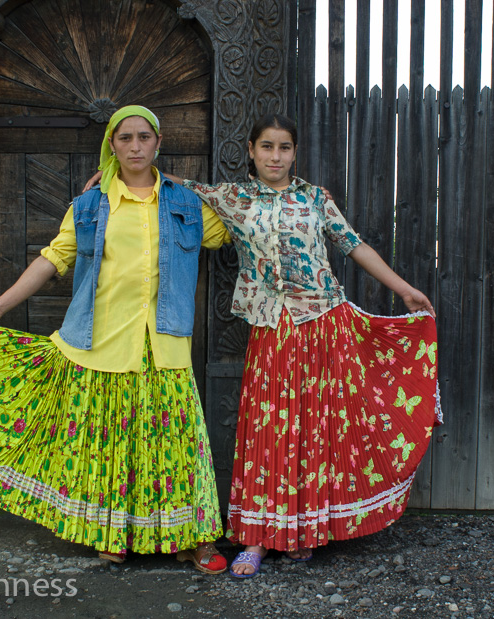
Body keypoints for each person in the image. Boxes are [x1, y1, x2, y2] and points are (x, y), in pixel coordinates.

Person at [0, 105, 231, 574]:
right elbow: (52, 258)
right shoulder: (88, 206)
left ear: (158, 144)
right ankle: (111, 532)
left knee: (178, 448)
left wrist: (185, 181)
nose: (136, 146)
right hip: (101, 341)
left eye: (145, 137)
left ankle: (194, 538)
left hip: (164, 344)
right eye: (125, 139)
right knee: (111, 446)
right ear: (112, 145)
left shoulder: (184, 204)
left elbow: (229, 227)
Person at [166, 113, 441, 577]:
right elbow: (175, 184)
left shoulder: (316, 199)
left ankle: (303, 532)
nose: (276, 156)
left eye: (285, 148)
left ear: (295, 152)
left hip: (323, 323)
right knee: (266, 429)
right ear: (251, 151)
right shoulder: (232, 198)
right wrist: (117, 173)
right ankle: (255, 539)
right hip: (272, 330)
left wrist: (405, 289)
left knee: (315, 430)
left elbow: (355, 246)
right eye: (268, 147)